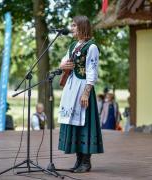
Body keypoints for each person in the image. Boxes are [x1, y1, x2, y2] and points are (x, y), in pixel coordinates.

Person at [57, 15, 104, 173]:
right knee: (74, 124)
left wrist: (86, 93)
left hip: (83, 88)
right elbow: (63, 62)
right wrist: (63, 65)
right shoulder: (72, 46)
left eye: (74, 25)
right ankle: (78, 161)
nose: (71, 28)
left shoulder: (91, 47)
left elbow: (92, 72)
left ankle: (86, 162)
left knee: (84, 124)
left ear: (82, 27)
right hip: (71, 88)